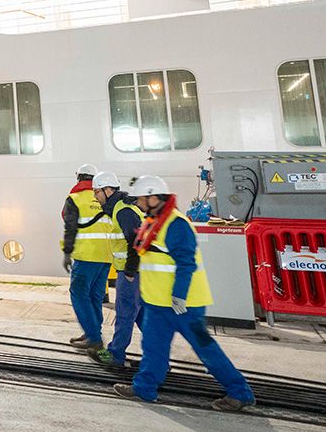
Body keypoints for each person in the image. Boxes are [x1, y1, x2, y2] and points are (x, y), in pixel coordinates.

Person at [114, 176, 255, 412]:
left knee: (205, 349)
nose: (137, 203)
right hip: (158, 303)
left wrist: (179, 296)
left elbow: (186, 264)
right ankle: (144, 388)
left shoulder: (177, 224)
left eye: (140, 199)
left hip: (185, 305)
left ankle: (240, 392)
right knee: (152, 347)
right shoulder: (152, 222)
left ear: (153, 197)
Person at [89, 171, 142, 367]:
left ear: (108, 190)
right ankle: (157, 357)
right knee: (142, 316)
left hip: (131, 273)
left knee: (125, 312)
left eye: (97, 191)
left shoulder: (123, 211)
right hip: (138, 272)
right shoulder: (121, 208)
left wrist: (129, 271)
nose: (95, 196)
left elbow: (135, 241)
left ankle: (116, 354)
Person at [62, 164, 114, 351]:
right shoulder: (105, 198)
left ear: (78, 178)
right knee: (95, 295)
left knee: (78, 294)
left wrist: (67, 252)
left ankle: (93, 337)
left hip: (86, 255)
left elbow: (70, 227)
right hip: (107, 256)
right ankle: (93, 331)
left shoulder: (75, 198)